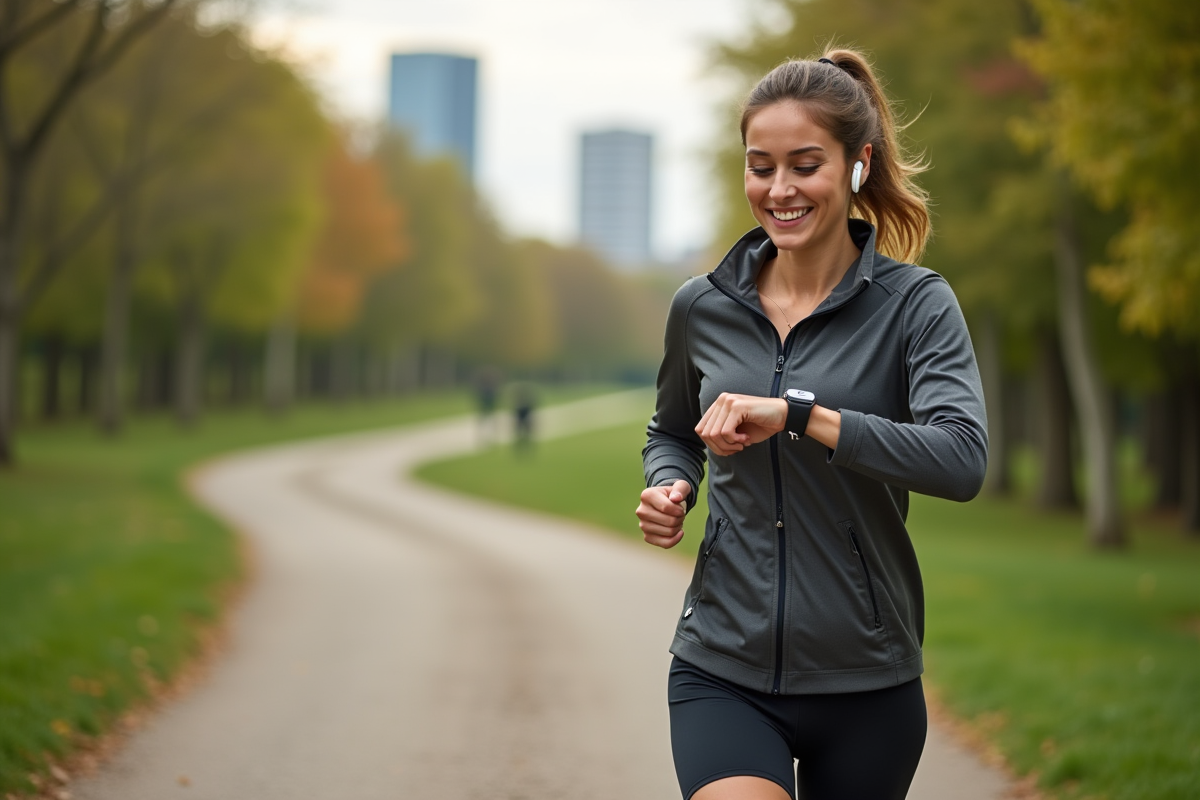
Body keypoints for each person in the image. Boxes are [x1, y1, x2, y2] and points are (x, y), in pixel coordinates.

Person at [636, 49, 988, 800]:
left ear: (859, 164)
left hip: (867, 681)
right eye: (760, 167)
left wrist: (802, 416)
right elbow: (672, 430)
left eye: (805, 165)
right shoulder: (701, 306)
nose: (779, 190)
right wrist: (670, 486)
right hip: (721, 665)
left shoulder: (916, 305)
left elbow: (961, 460)